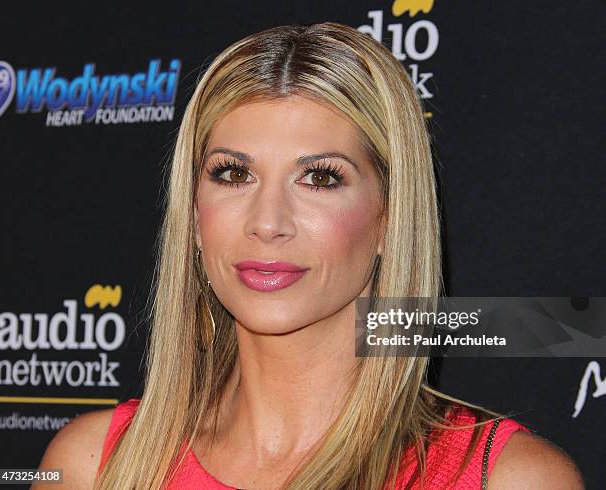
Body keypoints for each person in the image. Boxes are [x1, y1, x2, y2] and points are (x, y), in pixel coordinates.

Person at [34, 22, 584, 489]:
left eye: (320, 178)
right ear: (194, 213)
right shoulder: (93, 467)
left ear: (389, 217)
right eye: (232, 173)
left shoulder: (504, 478)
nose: (267, 223)